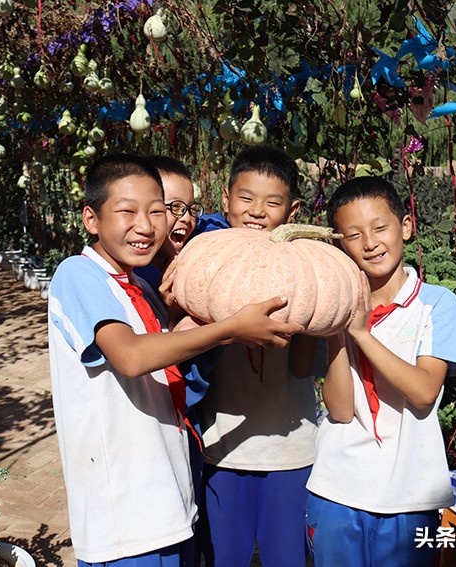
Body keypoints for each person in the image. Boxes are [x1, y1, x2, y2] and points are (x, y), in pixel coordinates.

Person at [47, 153, 305, 567]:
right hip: (124, 523)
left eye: (157, 211)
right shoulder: (78, 274)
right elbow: (130, 357)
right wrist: (230, 328)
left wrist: (193, 316)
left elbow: (173, 377)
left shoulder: (141, 290)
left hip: (169, 506)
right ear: (91, 219)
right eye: (127, 211)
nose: (147, 226)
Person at [306, 176, 456, 567]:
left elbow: (424, 392)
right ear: (338, 244)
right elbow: (342, 409)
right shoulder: (335, 308)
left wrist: (360, 334)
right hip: (336, 489)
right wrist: (337, 330)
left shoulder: (435, 304)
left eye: (380, 227)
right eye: (353, 234)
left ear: (406, 227)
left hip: (409, 494)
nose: (370, 242)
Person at [195, 145, 319, 567]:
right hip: (223, 446)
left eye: (273, 202)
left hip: (291, 448)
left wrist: (307, 302)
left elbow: (303, 367)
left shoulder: (306, 267)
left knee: (287, 559)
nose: (256, 211)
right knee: (227, 558)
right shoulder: (204, 259)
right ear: (226, 199)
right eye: (246, 198)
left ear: (293, 209)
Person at [134, 156, 202, 290]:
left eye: (192, 209)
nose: (187, 218)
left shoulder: (188, 268)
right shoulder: (135, 278)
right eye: (175, 207)